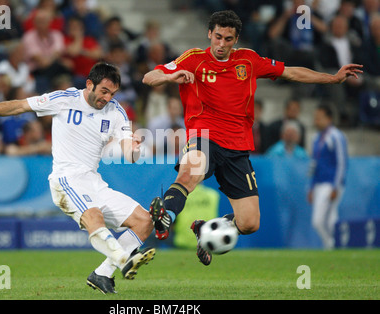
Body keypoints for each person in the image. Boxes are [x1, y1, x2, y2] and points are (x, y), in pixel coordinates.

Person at [142, 10, 362, 265]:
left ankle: (206, 229)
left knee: (249, 223)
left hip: (237, 147)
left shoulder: (248, 60)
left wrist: (332, 78)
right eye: (218, 37)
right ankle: (165, 216)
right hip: (204, 134)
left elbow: (290, 72)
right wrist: (170, 76)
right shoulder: (193, 59)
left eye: (228, 39)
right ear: (209, 34)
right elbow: (150, 77)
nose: (221, 44)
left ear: (236, 40)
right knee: (191, 172)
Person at [0, 62, 155, 294]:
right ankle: (125, 260)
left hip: (94, 181)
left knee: (145, 221)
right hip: (66, 179)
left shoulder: (117, 112)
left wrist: (134, 147)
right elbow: (19, 106)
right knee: (94, 215)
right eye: (104, 91)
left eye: (112, 93)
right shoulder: (65, 99)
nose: (107, 98)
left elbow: (130, 155)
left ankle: (102, 274)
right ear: (89, 84)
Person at [308, 104, 348, 249]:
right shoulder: (316, 138)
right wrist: (311, 187)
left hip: (330, 183)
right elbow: (314, 164)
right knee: (331, 219)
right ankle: (336, 245)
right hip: (319, 183)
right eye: (315, 118)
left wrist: (336, 186)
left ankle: (330, 244)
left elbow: (342, 162)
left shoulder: (336, 136)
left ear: (329, 118)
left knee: (318, 221)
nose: (316, 121)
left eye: (319, 118)